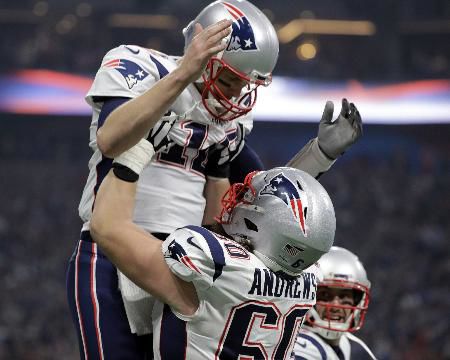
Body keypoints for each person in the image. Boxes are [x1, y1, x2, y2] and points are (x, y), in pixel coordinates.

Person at [66, 0, 362, 358]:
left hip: (188, 267)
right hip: (114, 252)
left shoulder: (229, 122)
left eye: (244, 84)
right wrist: (183, 75)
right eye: (228, 78)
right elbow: (111, 139)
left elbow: (267, 201)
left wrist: (320, 154)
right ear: (201, 51)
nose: (235, 94)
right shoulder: (139, 65)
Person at [90, 130, 337, 358]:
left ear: (258, 222)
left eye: (246, 200)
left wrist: (133, 154)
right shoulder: (307, 280)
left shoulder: (216, 268)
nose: (236, 201)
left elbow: (107, 228)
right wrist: (218, 175)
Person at [291, 246, 377, 359]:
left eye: (344, 296)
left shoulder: (343, 343)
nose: (335, 306)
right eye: (325, 295)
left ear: (357, 301)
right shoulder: (304, 347)